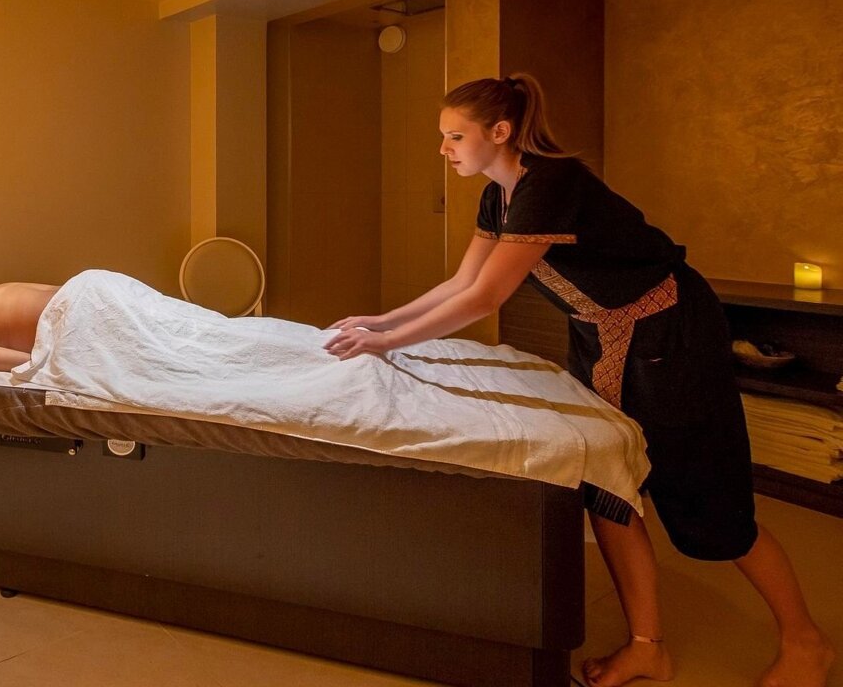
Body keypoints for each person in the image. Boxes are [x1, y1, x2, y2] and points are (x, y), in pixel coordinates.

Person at [324, 74, 834, 687]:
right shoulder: (499, 195)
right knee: (605, 476)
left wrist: (385, 342)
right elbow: (461, 283)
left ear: (501, 132)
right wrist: (381, 320)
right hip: (601, 335)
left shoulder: (550, 182)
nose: (444, 148)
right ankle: (649, 645)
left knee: (705, 496)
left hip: (668, 335)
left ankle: (806, 641)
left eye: (454, 135)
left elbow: (486, 297)